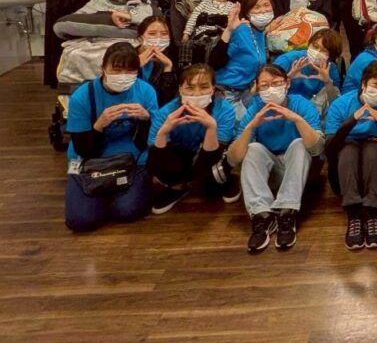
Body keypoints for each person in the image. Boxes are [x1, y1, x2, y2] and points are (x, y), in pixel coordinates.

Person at [227, 63, 325, 253]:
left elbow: (317, 148)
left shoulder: (301, 104)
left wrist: (296, 119)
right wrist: (250, 127)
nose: (270, 89)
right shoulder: (255, 109)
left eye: (276, 83)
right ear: (257, 88)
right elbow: (234, 158)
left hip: (299, 170)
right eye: (264, 85)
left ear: (287, 84)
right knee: (252, 148)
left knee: (299, 144)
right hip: (271, 171)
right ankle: (261, 216)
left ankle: (286, 213)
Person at [64, 42, 158, 232]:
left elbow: (152, 139)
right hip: (91, 159)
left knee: (126, 211)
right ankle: (102, 197)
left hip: (132, 157)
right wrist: (99, 125)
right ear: (103, 68)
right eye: (116, 70)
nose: (123, 76)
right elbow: (83, 148)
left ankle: (116, 196)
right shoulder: (82, 96)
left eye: (130, 71)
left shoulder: (145, 91)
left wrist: (146, 119)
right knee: (81, 220)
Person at [326, 60, 377, 250]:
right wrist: (352, 120)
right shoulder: (340, 104)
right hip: (345, 151)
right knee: (349, 151)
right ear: (364, 83)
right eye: (376, 84)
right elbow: (330, 148)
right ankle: (354, 215)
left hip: (376, 152)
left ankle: (373, 213)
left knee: (372, 150)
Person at [147, 63, 238, 214]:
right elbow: (155, 155)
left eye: (204, 87)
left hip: (210, 154)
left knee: (210, 187)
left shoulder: (224, 109)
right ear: (180, 89)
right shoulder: (166, 112)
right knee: (157, 157)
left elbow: (216, 153)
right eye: (190, 88)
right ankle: (178, 187)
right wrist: (163, 132)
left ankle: (225, 181)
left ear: (213, 88)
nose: (197, 93)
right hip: (181, 153)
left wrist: (211, 127)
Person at [208, 0, 274, 120]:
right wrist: (229, 29)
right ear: (247, 12)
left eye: (266, 5)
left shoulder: (260, 31)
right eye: (256, 7)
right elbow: (214, 63)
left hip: (246, 91)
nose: (263, 10)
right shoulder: (241, 29)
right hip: (227, 93)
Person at [274, 28, 344, 105]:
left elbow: (336, 104)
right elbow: (269, 91)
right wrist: (288, 77)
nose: (317, 52)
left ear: (331, 56)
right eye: (315, 46)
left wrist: (328, 82)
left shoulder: (331, 69)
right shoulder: (287, 60)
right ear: (309, 44)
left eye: (324, 51)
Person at [137, 15, 177, 105]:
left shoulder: (171, 58)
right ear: (140, 38)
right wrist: (134, 66)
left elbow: (166, 98)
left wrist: (168, 68)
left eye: (164, 34)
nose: (159, 38)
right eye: (152, 33)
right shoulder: (127, 55)